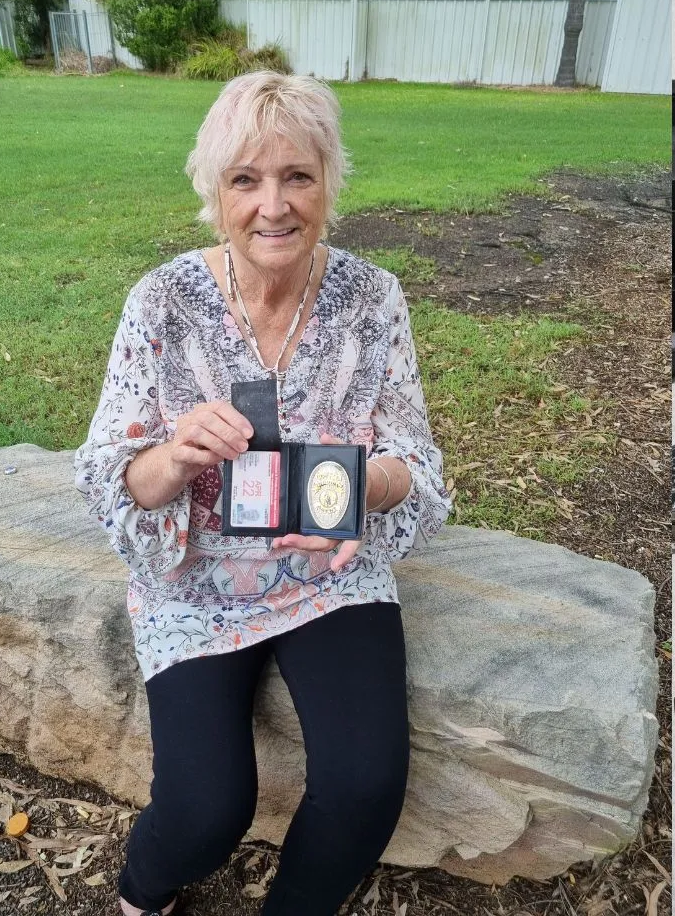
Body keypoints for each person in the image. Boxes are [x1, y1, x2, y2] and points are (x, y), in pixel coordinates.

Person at [72, 71, 451, 916]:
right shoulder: (162, 302)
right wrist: (172, 456)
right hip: (194, 579)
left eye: (297, 176)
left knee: (364, 787)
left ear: (330, 182)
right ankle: (143, 891)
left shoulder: (371, 298)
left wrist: (361, 493)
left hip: (327, 573)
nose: (273, 205)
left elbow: (415, 463)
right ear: (214, 193)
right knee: (206, 812)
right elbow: (109, 475)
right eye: (245, 179)